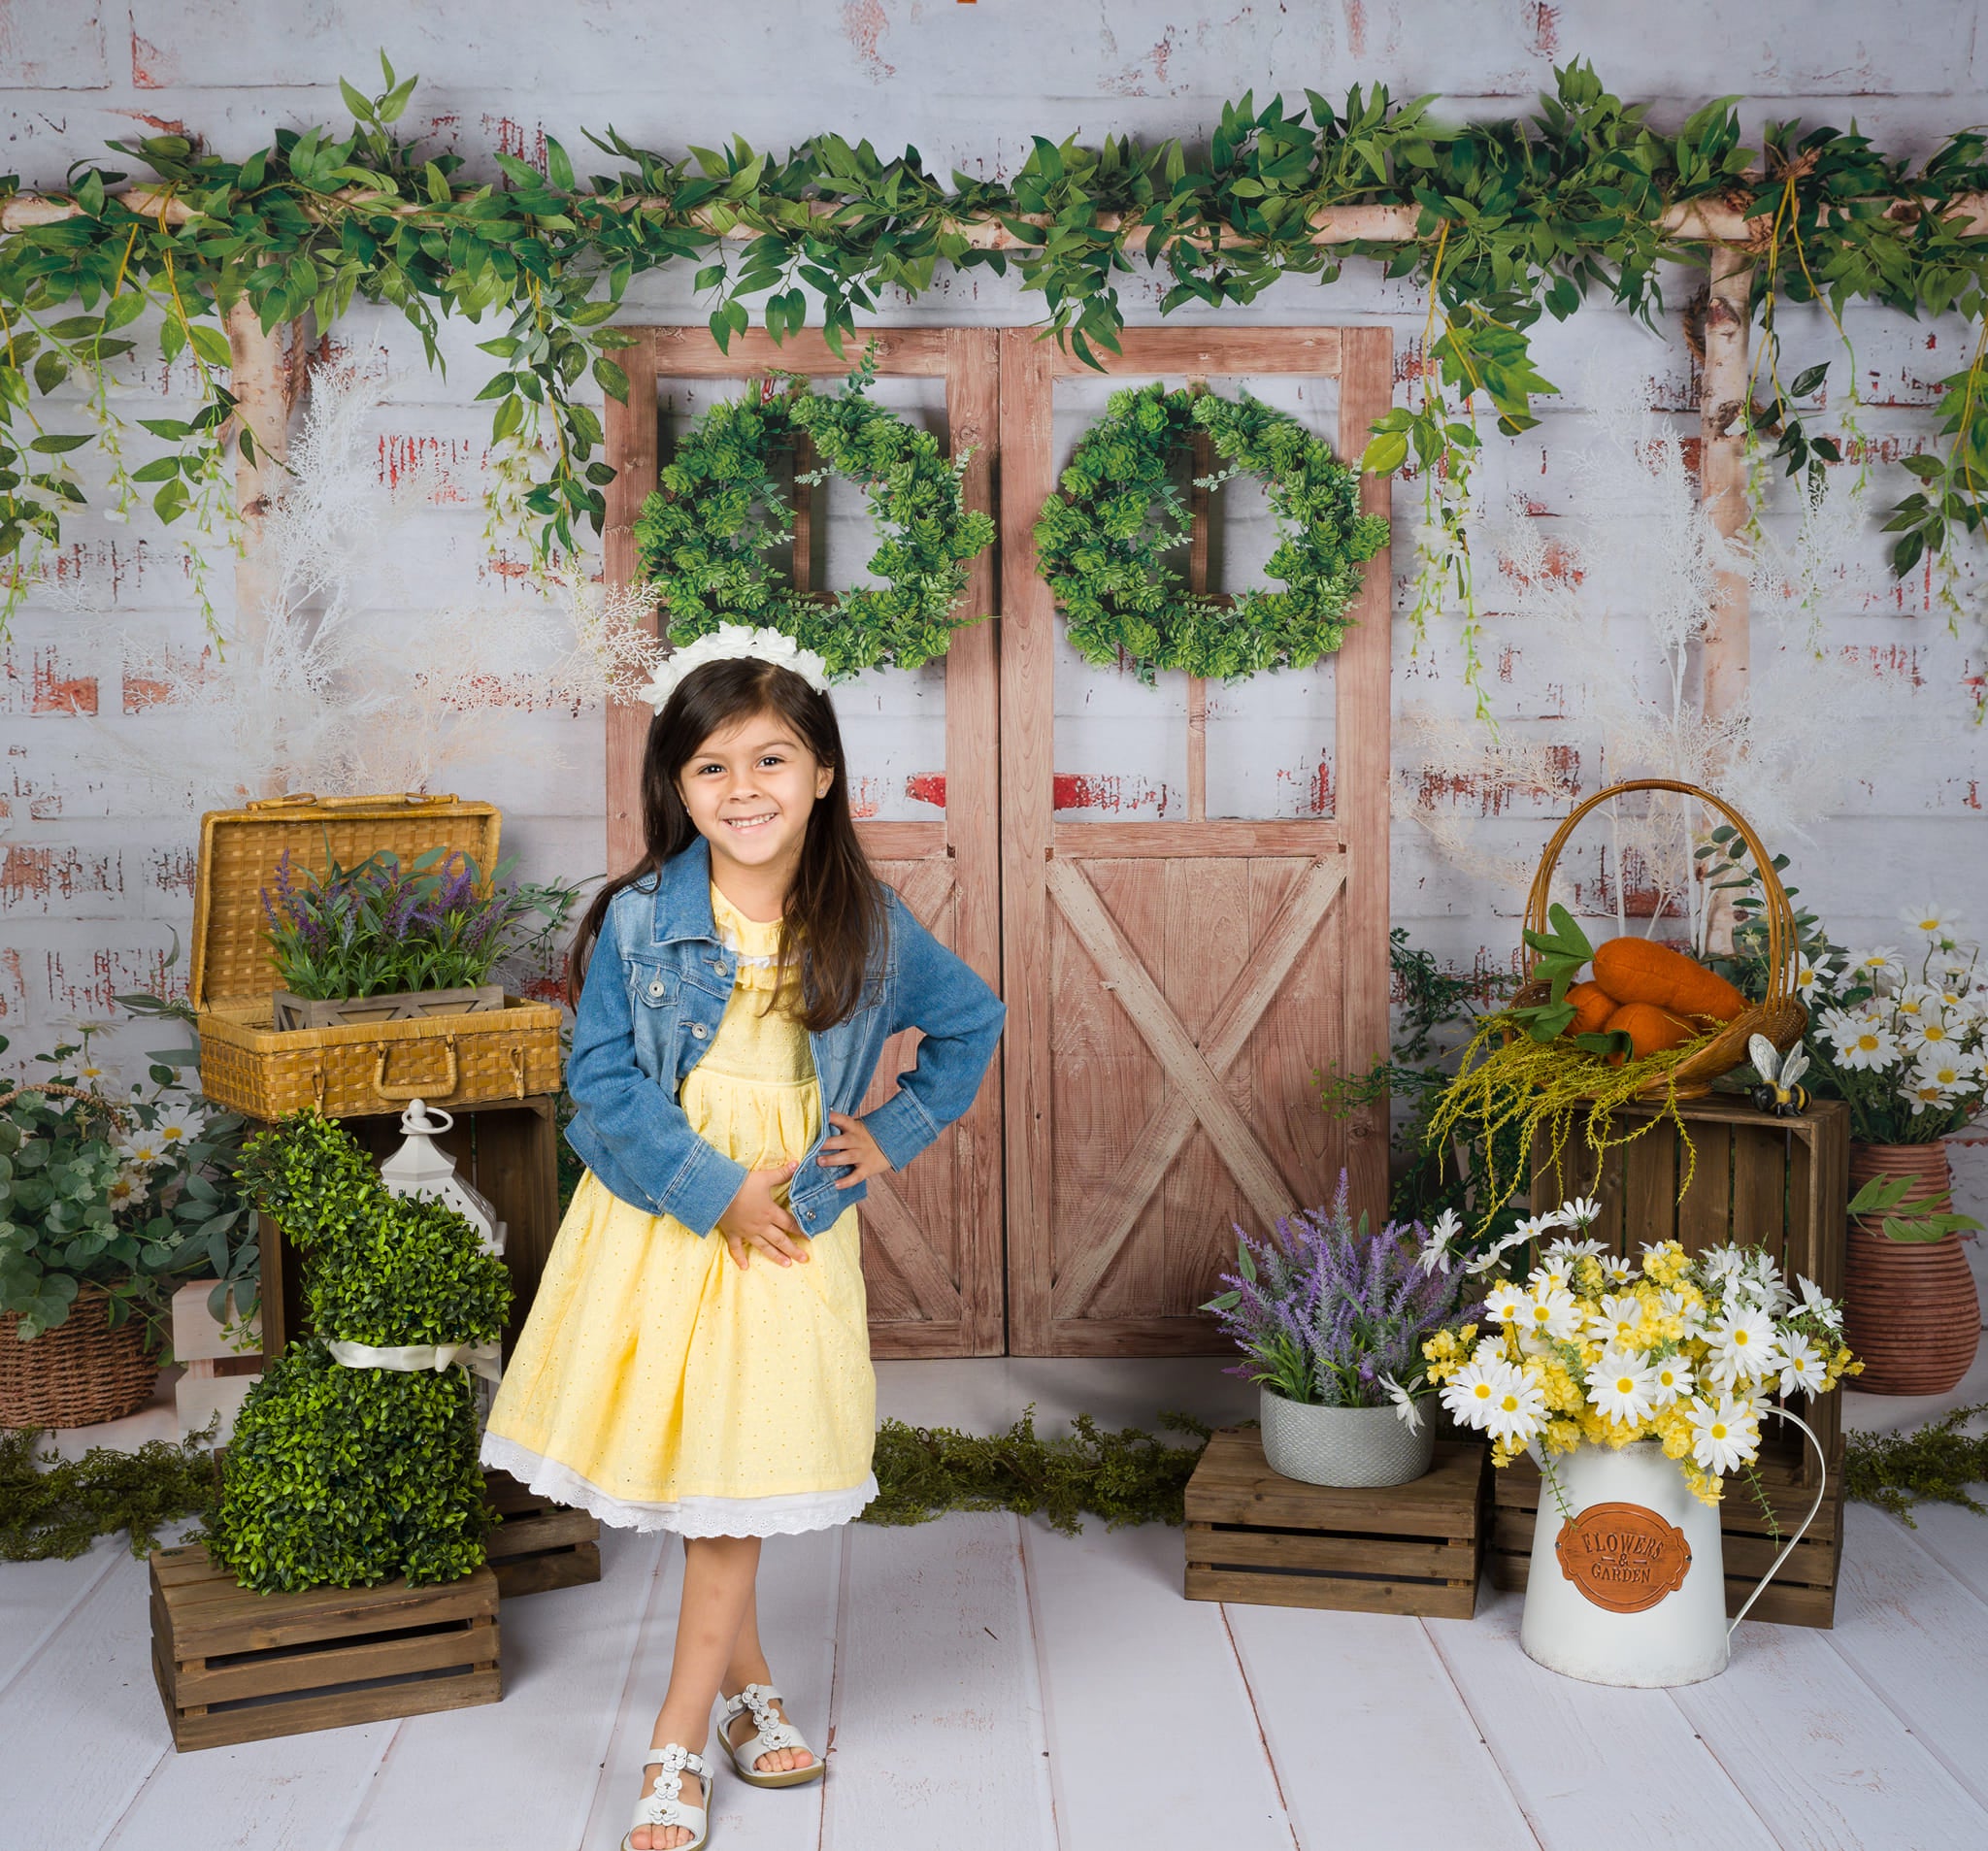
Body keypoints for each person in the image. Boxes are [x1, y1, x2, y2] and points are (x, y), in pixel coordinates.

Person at [480, 625, 1004, 1851]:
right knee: (713, 1465)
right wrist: (710, 1188)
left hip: (787, 1232)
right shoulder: (639, 919)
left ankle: (684, 1721)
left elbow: (968, 1022)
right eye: (710, 766)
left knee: (739, 1464)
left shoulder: (867, 922)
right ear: (676, 784)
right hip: (669, 1216)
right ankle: (725, 1697)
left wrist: (890, 1132)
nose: (743, 788)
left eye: (771, 758)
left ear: (822, 770)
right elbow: (600, 1080)